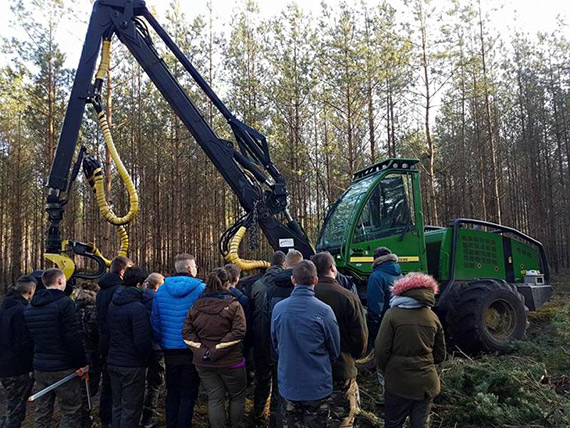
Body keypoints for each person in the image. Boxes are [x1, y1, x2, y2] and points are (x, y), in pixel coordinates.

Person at [271, 260, 341, 428]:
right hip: (317, 386)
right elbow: (335, 349)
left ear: (293, 280)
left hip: (289, 383)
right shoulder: (324, 311)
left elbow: (275, 343)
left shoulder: (279, 309)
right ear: (315, 280)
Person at [375, 273, 446, 428]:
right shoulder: (433, 317)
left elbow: (381, 351)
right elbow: (440, 355)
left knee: (393, 423)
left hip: (398, 383)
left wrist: (385, 370)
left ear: (401, 291)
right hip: (427, 385)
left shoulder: (392, 315)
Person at [182, 268, 247, 428]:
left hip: (204, 362)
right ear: (227, 283)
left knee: (215, 397)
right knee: (237, 396)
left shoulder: (195, 306)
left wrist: (203, 351)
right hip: (231, 361)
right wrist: (216, 350)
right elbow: (239, 331)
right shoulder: (234, 305)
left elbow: (187, 333)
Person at [24, 268, 88, 428]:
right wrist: (82, 362)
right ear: (60, 281)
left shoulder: (31, 307)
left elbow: (28, 339)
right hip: (63, 366)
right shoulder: (65, 304)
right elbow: (72, 336)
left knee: (42, 412)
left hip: (40, 366)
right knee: (71, 410)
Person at [312, 252, 368, 428]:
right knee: (342, 418)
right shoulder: (348, 297)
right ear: (332, 268)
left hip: (311, 369)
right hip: (342, 367)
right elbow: (361, 337)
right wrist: (354, 355)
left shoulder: (305, 296)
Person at [151, 253, 205, 428]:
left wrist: (163, 341)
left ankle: (171, 423)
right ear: (190, 269)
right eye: (195, 266)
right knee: (188, 393)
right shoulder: (201, 289)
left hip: (170, 349)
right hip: (191, 349)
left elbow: (156, 322)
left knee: (172, 391)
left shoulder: (161, 291)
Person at [107, 267, 153, 428]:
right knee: (131, 407)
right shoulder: (137, 308)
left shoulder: (114, 303)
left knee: (117, 404)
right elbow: (141, 340)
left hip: (114, 360)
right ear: (139, 284)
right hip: (132, 364)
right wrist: (147, 357)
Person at [262, 249, 303, 426]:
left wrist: (269, 350)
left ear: (285, 264)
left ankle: (277, 422)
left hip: (278, 352)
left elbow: (265, 324)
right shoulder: (308, 289)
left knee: (280, 393)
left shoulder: (270, 290)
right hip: (304, 354)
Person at [97, 256, 133, 428]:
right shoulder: (119, 292)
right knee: (119, 389)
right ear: (122, 271)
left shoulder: (102, 290)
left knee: (108, 383)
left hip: (104, 342)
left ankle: (106, 418)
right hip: (118, 344)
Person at [250, 251, 285, 425]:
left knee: (262, 380)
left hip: (259, 340)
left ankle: (258, 414)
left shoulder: (257, 284)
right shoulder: (289, 285)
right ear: (284, 264)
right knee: (280, 382)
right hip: (280, 343)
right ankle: (276, 417)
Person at [0, 275, 37, 428]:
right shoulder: (22, 312)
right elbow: (23, 343)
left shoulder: (4, 307)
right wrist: (29, 366)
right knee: (16, 410)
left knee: (12, 405)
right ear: (31, 291)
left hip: (4, 364)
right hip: (17, 368)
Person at [73, 282, 102, 428]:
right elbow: (95, 334)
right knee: (89, 389)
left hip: (74, 356)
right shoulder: (92, 312)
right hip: (91, 356)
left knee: (81, 390)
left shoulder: (70, 309)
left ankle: (82, 416)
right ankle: (84, 418)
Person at [141, 273, 166, 428]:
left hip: (138, 348)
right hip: (156, 348)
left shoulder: (138, 298)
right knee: (155, 383)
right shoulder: (158, 301)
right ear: (157, 285)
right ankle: (148, 417)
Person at [366, 247, 402, 350]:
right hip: (397, 320)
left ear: (376, 259)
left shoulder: (376, 276)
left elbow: (375, 305)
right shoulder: (400, 275)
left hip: (383, 322)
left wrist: (373, 328)